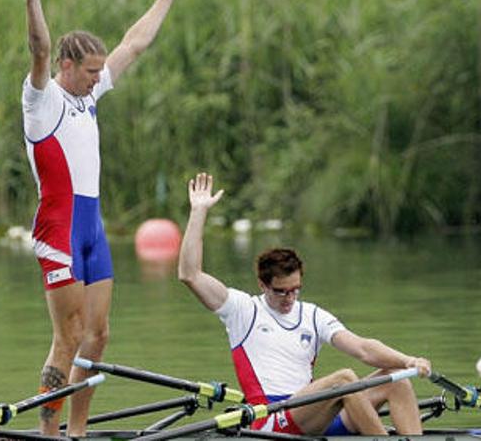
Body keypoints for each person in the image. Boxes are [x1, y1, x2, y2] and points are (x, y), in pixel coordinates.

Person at [177, 172, 433, 436]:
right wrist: (199, 212)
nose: (290, 298)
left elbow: (363, 348)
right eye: (281, 292)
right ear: (262, 285)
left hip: (315, 415)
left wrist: (408, 360)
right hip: (272, 420)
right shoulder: (242, 310)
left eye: (295, 290)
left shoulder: (312, 315)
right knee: (344, 378)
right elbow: (190, 274)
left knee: (397, 379)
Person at [22, 0, 174, 436]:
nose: (97, 80)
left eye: (99, 73)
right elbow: (38, 46)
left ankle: (78, 431)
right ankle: (49, 435)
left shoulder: (88, 95)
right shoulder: (41, 100)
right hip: (59, 232)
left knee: (97, 335)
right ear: (66, 66)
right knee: (67, 338)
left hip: (93, 231)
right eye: (90, 72)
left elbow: (136, 43)